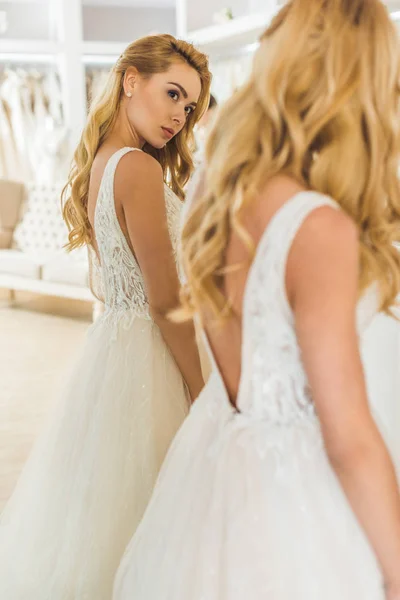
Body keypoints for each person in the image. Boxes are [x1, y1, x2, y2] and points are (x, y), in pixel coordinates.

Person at [113, 2, 400, 599]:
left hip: (220, 462)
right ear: (362, 77)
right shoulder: (318, 228)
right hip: (298, 499)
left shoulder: (217, 195)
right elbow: (348, 437)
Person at [0, 33, 211, 599]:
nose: (179, 116)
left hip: (115, 354)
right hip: (152, 359)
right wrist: (205, 389)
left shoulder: (102, 163)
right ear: (130, 80)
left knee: (112, 513)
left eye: (189, 106)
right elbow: (166, 304)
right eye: (172, 93)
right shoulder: (138, 169)